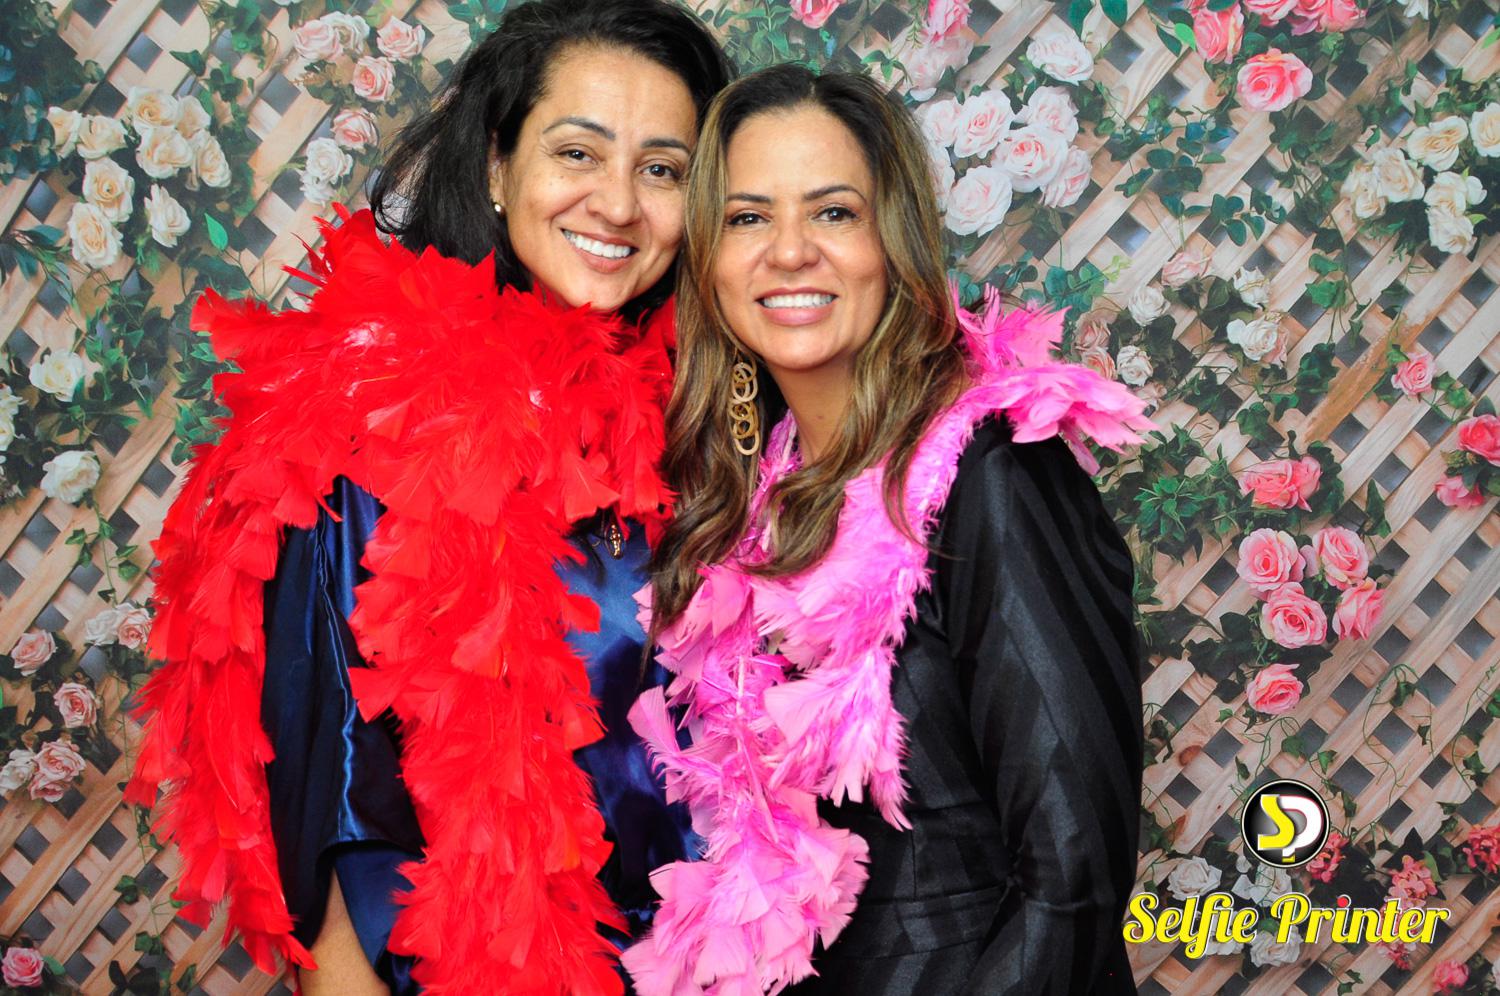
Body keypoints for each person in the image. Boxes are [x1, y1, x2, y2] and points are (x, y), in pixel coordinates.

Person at [126, 2, 731, 993]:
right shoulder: (361, 440)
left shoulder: (716, 423)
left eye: (662, 169)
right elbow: (329, 849)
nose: (619, 204)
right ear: (497, 165)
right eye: (577, 153)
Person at [621, 65, 1150, 995]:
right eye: (748, 218)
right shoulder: (754, 501)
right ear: (707, 259)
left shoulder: (994, 473)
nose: (789, 252)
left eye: (833, 212)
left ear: (891, 240)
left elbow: (1073, 882)